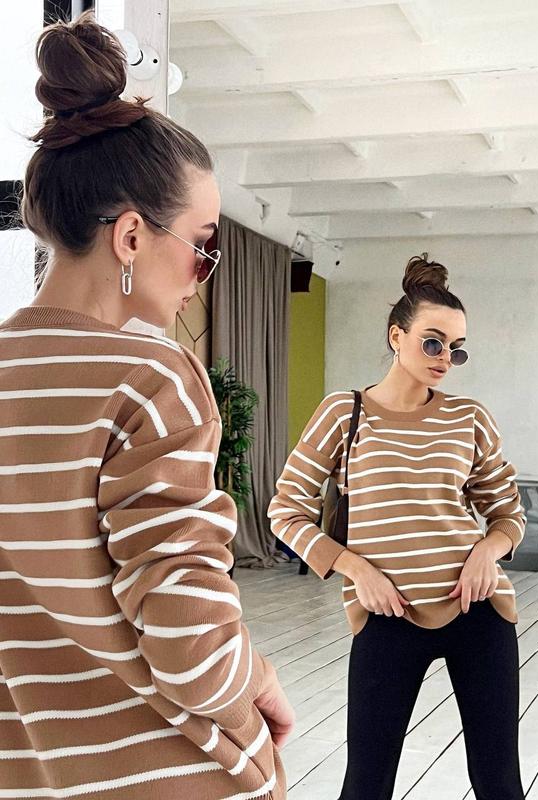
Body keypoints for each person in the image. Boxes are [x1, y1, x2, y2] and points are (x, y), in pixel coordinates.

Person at [0, 12, 292, 800]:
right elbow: (188, 642)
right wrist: (258, 678)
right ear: (131, 237)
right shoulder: (150, 377)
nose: (204, 271)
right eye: (203, 244)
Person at [268, 254, 527, 800]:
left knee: (499, 783)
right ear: (396, 336)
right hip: (387, 618)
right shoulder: (344, 413)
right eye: (433, 343)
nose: (445, 358)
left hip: (479, 613)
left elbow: (508, 511)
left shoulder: (469, 418)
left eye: (456, 348)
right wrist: (355, 569)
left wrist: (487, 552)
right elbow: (285, 510)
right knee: (366, 785)